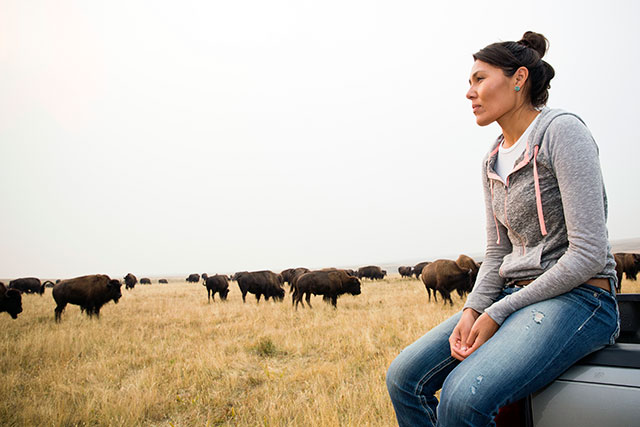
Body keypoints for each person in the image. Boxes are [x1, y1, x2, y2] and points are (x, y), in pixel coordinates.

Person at [386, 31, 619, 427]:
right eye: (469, 82)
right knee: (403, 378)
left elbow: (588, 253)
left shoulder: (561, 131)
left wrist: (498, 311)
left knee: (460, 400)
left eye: (479, 79)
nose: (469, 92)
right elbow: (498, 253)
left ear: (518, 78)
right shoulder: (491, 159)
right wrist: (472, 308)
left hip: (581, 298)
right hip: (515, 298)